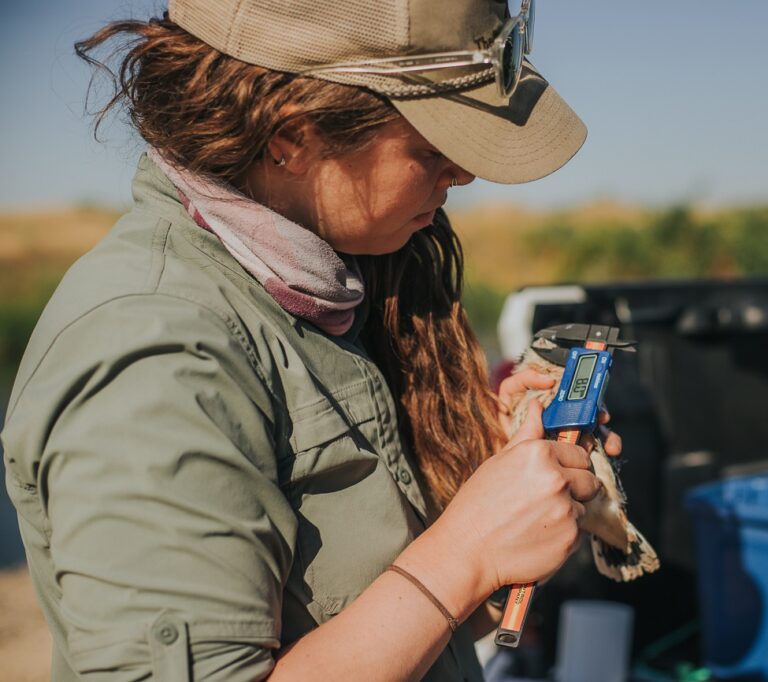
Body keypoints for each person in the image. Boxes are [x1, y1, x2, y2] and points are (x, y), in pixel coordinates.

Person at [1, 0, 623, 680]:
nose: (463, 173)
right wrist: (467, 551)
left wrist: (502, 492)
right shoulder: (156, 360)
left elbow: (382, 620)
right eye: (432, 145)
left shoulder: (336, 282)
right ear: (289, 137)